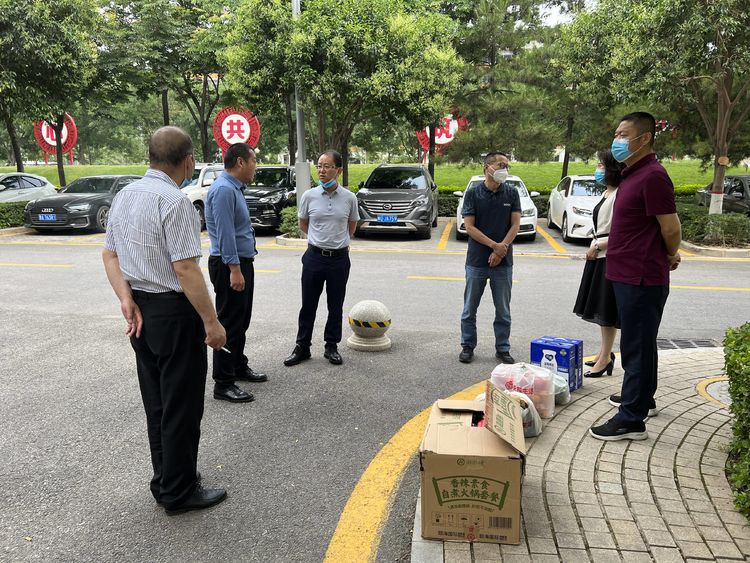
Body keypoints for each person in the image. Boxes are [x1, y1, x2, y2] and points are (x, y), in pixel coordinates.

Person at [102, 126, 228, 514]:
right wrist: (211, 321)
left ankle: (167, 479)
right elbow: (186, 268)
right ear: (188, 159)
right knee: (183, 404)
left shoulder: (125, 195)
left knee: (158, 403)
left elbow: (110, 255)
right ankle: (179, 491)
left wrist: (126, 298)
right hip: (174, 314)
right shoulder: (175, 202)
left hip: (142, 311)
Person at [590, 111, 682, 442]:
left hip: (642, 277)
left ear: (644, 139)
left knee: (635, 348)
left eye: (624, 134)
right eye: (616, 133)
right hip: (627, 273)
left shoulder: (654, 176)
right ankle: (643, 400)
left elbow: (670, 227)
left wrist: (670, 254)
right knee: (641, 344)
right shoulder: (632, 174)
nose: (618, 140)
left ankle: (631, 418)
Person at [284, 150, 359, 367]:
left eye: (327, 166)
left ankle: (331, 346)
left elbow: (351, 227)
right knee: (308, 304)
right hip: (314, 257)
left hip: (339, 260)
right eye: (319, 166)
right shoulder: (309, 196)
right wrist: (320, 240)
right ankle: (302, 346)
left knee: (335, 305)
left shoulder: (349, 198)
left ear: (338, 170)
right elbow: (303, 224)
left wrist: (335, 241)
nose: (322, 170)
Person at [205, 143, 268, 404]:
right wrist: (234, 269)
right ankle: (224, 382)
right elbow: (225, 233)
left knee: (241, 320)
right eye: (254, 161)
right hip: (229, 264)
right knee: (229, 322)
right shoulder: (222, 190)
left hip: (240, 262)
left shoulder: (234, 188)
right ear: (240, 162)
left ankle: (238, 366)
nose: (256, 167)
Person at [458, 151, 521, 364]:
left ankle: (503, 348)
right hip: (477, 261)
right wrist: (495, 247)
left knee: (503, 310)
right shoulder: (473, 193)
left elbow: (515, 225)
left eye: (507, 166)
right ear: (487, 167)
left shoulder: (511, 193)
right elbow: (469, 227)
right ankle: (467, 345)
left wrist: (501, 250)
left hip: (503, 262)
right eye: (501, 165)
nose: (504, 169)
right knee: (469, 309)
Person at [573, 150, 624, 377]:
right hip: (600, 254)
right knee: (603, 311)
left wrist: (598, 245)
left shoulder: (621, 194)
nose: (598, 169)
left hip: (608, 256)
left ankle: (605, 358)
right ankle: (605, 353)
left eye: (601, 165)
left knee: (607, 311)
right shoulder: (608, 191)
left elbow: (624, 233)